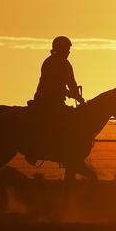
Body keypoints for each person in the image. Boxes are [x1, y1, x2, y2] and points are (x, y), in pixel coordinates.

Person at [26, 36, 84, 165]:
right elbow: (56, 85)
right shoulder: (57, 63)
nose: (69, 52)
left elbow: (70, 84)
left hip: (54, 101)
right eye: (67, 49)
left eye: (69, 49)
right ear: (60, 49)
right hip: (47, 101)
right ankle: (42, 150)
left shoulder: (52, 62)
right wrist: (75, 95)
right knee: (58, 123)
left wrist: (75, 95)